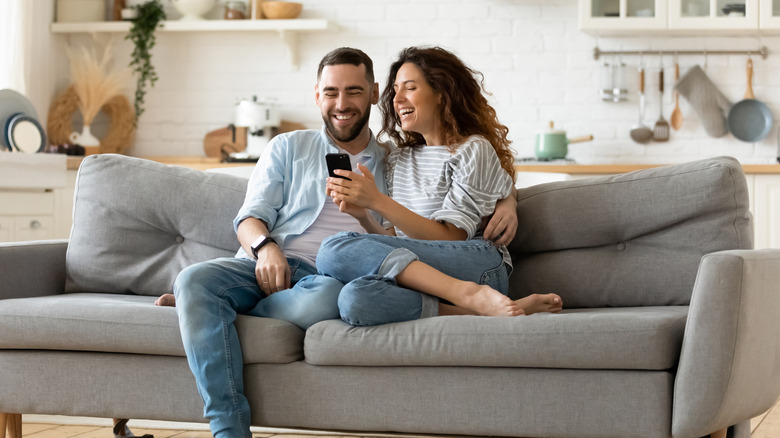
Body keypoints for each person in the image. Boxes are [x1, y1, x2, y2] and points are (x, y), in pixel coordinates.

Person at [170, 47, 518, 438]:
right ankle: (229, 430)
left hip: (330, 278)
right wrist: (265, 248)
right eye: (331, 92)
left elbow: (468, 173)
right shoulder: (288, 147)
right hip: (270, 263)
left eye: (353, 92)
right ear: (317, 95)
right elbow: (250, 218)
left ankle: (212, 312)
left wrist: (509, 200)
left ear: (372, 94)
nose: (341, 104)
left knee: (331, 293)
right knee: (193, 281)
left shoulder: (392, 158)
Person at [317, 46, 562, 326]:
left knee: (332, 249)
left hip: (475, 265)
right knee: (354, 299)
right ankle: (477, 309)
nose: (396, 99)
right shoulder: (398, 158)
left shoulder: (472, 150)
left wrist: (377, 201)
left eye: (409, 88)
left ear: (442, 93)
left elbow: (452, 238)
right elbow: (396, 243)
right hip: (423, 273)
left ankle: (469, 293)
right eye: (395, 90)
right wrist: (363, 215)